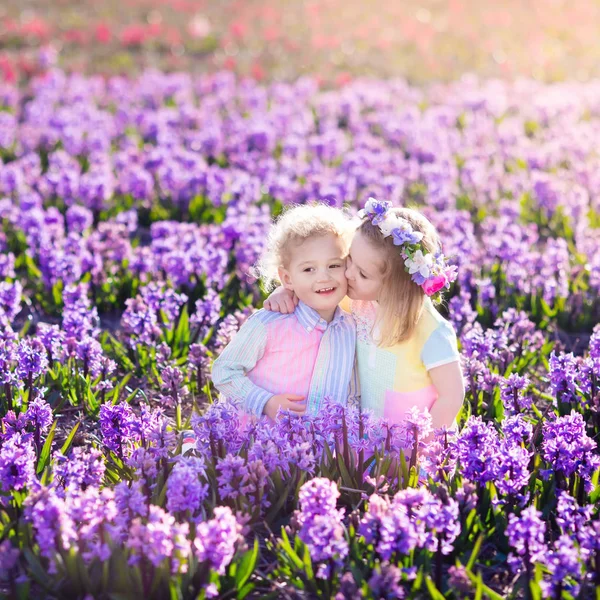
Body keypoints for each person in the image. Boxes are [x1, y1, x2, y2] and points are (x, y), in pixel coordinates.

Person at [264, 198, 464, 434]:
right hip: (369, 438)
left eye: (362, 273)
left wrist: (424, 446)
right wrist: (285, 290)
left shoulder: (430, 331)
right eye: (349, 260)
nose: (347, 273)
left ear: (394, 286)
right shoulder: (360, 302)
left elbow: (452, 396)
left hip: (413, 446)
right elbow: (315, 293)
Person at [211, 203, 357, 420]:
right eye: (309, 269)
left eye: (334, 265)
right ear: (287, 278)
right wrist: (265, 402)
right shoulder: (269, 324)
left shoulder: (351, 327)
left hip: (320, 448)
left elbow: (353, 393)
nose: (323, 277)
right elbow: (224, 371)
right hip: (261, 444)